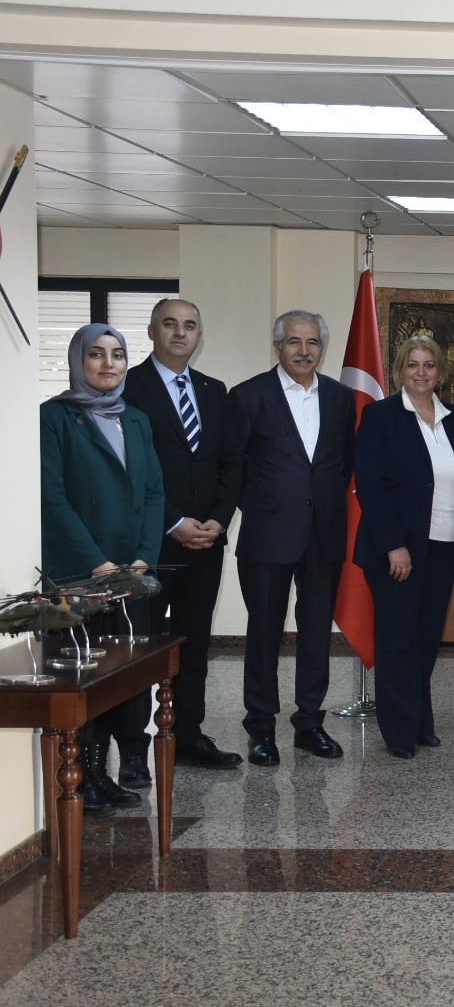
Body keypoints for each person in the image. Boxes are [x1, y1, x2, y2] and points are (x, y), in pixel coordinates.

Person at [40, 323, 164, 815]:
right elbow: (52, 499)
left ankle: (101, 773)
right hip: (80, 573)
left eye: (117, 354)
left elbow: (153, 492)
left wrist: (144, 556)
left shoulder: (136, 419)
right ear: (78, 361)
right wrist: (97, 563)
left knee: (118, 677)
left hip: (129, 574)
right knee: (82, 675)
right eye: (96, 354)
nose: (108, 364)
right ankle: (82, 777)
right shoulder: (54, 417)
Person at [225, 310, 354, 766]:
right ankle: (261, 727)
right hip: (267, 535)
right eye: (294, 342)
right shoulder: (247, 396)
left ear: (322, 348)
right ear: (278, 346)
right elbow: (233, 468)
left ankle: (309, 724)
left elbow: (343, 464)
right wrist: (267, 508)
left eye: (312, 342)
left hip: (324, 534)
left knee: (316, 633)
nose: (304, 350)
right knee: (264, 633)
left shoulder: (340, 397)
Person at [122, 298, 243, 775]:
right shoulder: (128, 386)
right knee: (139, 647)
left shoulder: (214, 391)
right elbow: (131, 467)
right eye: (169, 324)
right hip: (150, 544)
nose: (180, 333)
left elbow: (231, 463)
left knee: (194, 643)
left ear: (199, 336)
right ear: (152, 332)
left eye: (189, 325)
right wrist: (173, 522)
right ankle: (134, 750)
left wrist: (219, 520)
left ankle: (188, 736)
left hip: (206, 543)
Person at [354, 334, 454, 759]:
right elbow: (370, 487)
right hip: (398, 551)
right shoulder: (381, 416)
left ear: (441, 372)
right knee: (398, 641)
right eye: (412, 364)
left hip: (443, 545)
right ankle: (398, 731)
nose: (421, 373)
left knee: (425, 640)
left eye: (429, 365)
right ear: (400, 371)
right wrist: (393, 546)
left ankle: (421, 722)